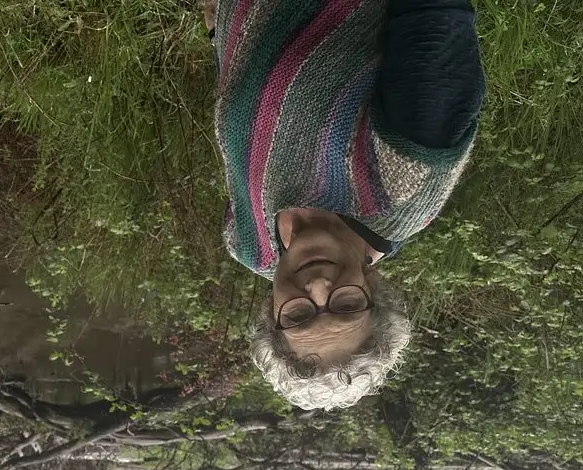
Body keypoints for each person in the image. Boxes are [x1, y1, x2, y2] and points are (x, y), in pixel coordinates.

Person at [207, 0, 485, 409]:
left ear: (272, 311)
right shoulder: (410, 168)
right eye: (347, 306)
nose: (319, 288)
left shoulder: (250, 244)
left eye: (299, 316)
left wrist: (222, 31)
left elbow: (250, 102)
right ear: (375, 290)